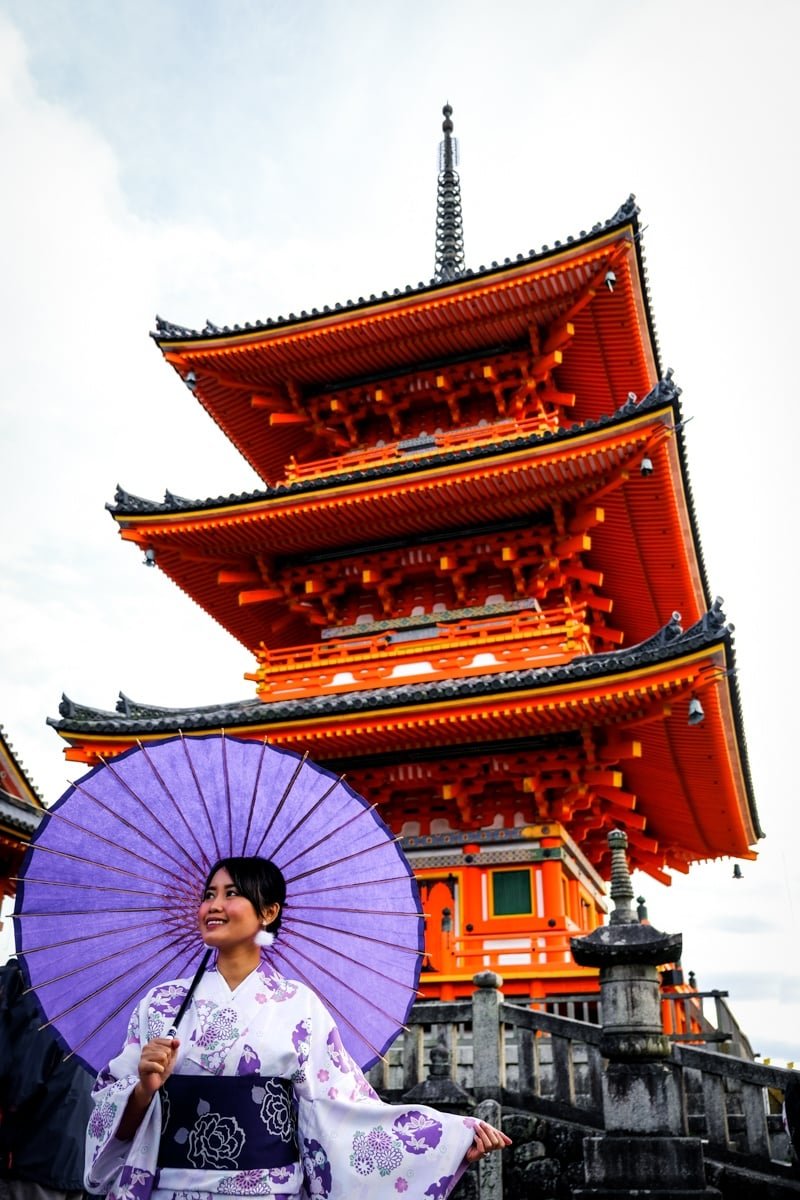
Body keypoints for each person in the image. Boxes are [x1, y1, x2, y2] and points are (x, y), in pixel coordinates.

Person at [85, 856, 511, 1200]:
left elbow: (342, 1110)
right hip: (170, 1190)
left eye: (231, 894)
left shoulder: (298, 1005)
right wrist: (143, 1089)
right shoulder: (161, 1004)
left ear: (268, 912)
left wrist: (449, 1139)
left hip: (270, 1191)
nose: (213, 905)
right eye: (208, 894)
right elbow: (113, 1123)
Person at [0, 958, 94, 1200]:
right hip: (78, 1158)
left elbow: (23, 1080)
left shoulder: (40, 992)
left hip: (36, 1154)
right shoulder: (92, 994)